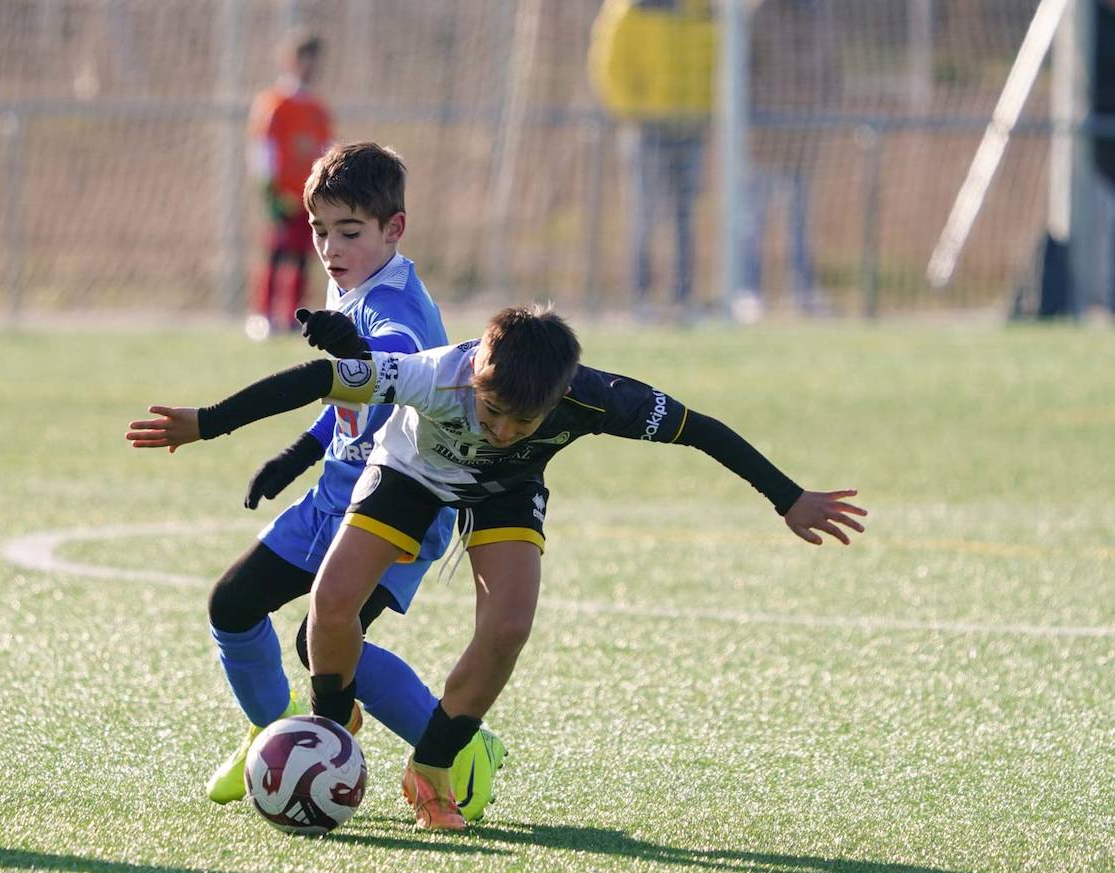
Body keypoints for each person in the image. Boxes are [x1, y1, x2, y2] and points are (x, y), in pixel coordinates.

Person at [127, 304, 868, 830]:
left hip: (509, 493)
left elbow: (699, 429)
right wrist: (209, 422)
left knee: (509, 627)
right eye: (492, 412)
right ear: (476, 369)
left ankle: (434, 768)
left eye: (525, 421)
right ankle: (330, 725)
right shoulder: (431, 375)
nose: (505, 428)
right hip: (411, 476)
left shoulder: (601, 398)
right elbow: (320, 380)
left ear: (559, 398)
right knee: (331, 604)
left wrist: (788, 497)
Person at [143, 141, 507, 822]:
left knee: (325, 643)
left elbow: (390, 360)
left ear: (393, 230)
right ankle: (273, 730)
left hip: (399, 504)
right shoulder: (351, 284)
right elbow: (356, 394)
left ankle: (461, 746)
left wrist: (355, 350)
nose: (331, 248)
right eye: (319, 231)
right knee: (234, 606)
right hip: (338, 490)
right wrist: (299, 452)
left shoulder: (394, 302)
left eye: (349, 232)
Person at [588, 0, 717, 317]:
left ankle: (683, 296)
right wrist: (634, 112)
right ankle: (640, 295)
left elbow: (716, 63)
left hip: (691, 125)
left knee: (685, 215)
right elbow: (609, 66)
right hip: (646, 128)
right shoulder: (631, 10)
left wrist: (707, 110)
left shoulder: (702, 10)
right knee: (645, 213)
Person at [742, 0, 842, 317]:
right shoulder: (759, 14)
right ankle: (748, 291)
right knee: (754, 219)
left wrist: (823, 112)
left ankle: (803, 291)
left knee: (800, 222)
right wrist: (756, 116)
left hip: (804, 137)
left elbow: (831, 72)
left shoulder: (819, 14)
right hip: (765, 139)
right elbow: (742, 72)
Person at [246, 30, 335, 340]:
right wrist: (269, 188)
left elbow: (327, 149)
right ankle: (263, 315)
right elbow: (263, 147)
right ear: (291, 61)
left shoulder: (317, 108)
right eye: (304, 59)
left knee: (302, 254)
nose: (310, 67)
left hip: (308, 194)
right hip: (282, 192)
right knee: (275, 251)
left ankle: (292, 316)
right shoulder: (275, 103)